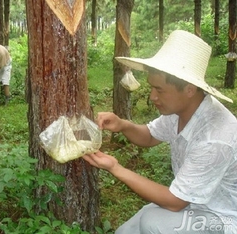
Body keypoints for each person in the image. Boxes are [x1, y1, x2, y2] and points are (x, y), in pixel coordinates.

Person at [83, 30, 237, 234]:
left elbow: (175, 202)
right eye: (152, 88)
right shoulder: (182, 109)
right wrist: (123, 125)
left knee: (153, 222)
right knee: (125, 232)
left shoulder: (214, 137)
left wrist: (115, 167)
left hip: (223, 217)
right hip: (194, 204)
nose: (153, 97)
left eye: (160, 90)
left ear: (189, 89)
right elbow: (149, 136)